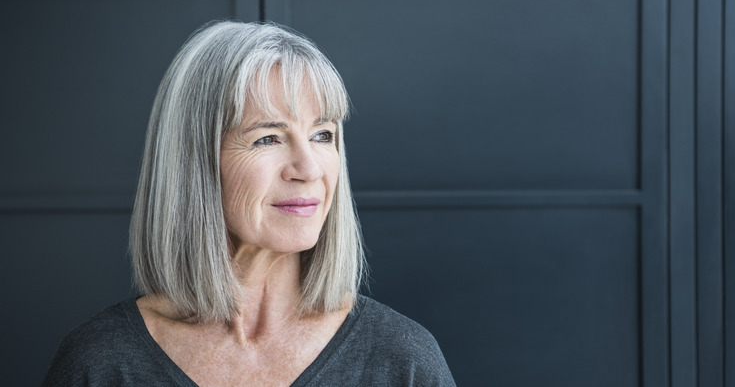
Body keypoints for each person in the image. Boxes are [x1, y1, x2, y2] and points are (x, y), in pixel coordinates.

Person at [42, 21, 455, 386]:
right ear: (194, 160)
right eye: (268, 138)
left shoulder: (402, 361)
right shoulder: (98, 364)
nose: (308, 169)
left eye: (323, 135)